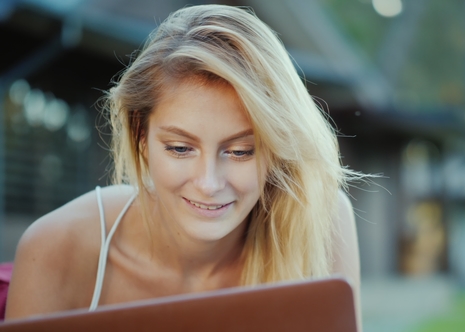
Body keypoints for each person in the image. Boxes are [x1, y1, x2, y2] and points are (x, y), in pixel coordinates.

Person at [5, 4, 364, 329]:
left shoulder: (322, 221)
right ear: (141, 137)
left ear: (276, 150)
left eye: (240, 151)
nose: (209, 183)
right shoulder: (57, 246)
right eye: (180, 148)